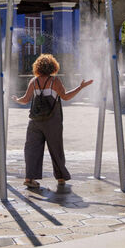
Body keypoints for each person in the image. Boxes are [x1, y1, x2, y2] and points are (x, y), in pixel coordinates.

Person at [12, 54, 93, 188]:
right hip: (52, 122)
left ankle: (29, 178)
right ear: (53, 66)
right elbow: (66, 97)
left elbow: (25, 100)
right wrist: (80, 87)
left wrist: (16, 100)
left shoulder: (34, 81)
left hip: (35, 121)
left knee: (31, 149)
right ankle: (61, 177)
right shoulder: (54, 81)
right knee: (56, 148)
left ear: (37, 67)